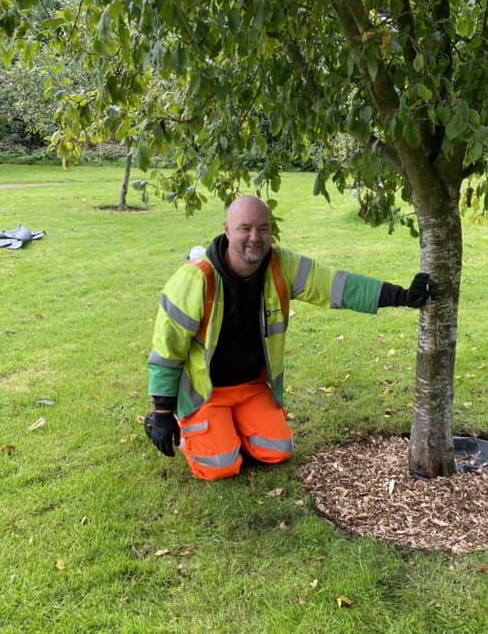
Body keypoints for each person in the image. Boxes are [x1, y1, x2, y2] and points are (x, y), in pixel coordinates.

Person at [145, 195, 438, 480]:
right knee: (219, 467)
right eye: (245, 228)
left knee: (278, 450)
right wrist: (161, 412)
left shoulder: (280, 265)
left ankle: (225, 430)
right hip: (205, 392)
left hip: (251, 387)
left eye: (263, 228)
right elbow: (166, 353)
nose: (255, 237)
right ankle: (187, 425)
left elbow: (335, 285)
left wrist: (402, 296)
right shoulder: (196, 279)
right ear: (227, 229)